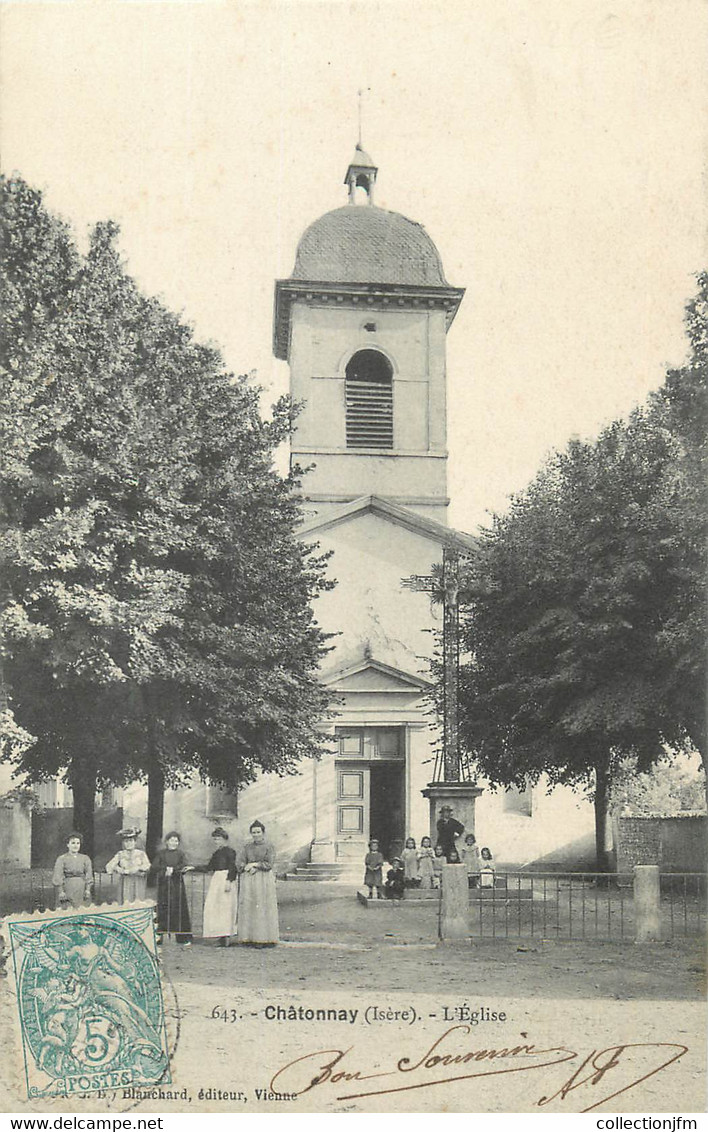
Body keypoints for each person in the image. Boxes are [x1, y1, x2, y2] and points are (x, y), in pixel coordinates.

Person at [235, 820, 279, 946]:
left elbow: (269, 863)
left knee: (263, 906)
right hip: (249, 879)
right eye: (253, 832)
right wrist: (246, 867)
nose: (256, 835)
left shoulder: (269, 847)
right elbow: (239, 861)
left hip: (263, 878)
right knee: (250, 906)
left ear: (263, 833)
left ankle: (264, 938)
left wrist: (256, 865)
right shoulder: (247, 847)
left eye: (258, 832)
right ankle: (248, 937)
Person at [149, 831, 194, 946]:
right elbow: (154, 866)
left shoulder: (180, 854)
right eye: (172, 840)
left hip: (177, 885)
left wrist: (174, 870)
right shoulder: (161, 853)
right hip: (164, 885)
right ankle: (160, 936)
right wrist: (165, 869)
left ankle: (182, 937)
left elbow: (184, 865)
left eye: (176, 841)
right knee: (163, 908)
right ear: (167, 841)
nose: (174, 843)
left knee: (178, 908)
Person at [201, 827, 238, 946]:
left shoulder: (230, 852)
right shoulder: (216, 853)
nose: (216, 841)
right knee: (214, 907)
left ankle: (226, 937)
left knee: (226, 908)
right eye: (215, 839)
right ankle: (220, 935)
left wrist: (229, 880)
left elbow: (233, 867)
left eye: (219, 839)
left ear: (225, 839)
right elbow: (209, 867)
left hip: (225, 879)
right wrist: (192, 867)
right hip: (216, 880)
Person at [105, 827, 151, 902]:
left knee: (138, 901)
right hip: (125, 882)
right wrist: (118, 869)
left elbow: (147, 865)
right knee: (125, 901)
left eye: (131, 841)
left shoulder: (141, 854)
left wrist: (138, 868)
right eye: (126, 841)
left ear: (135, 842)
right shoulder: (120, 854)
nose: (128, 843)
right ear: (123, 843)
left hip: (138, 881)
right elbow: (109, 866)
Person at [52, 833, 93, 909]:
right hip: (67, 888)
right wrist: (61, 891)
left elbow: (89, 874)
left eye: (78, 843)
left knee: (82, 910)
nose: (75, 845)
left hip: (81, 888)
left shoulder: (85, 858)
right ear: (68, 845)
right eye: (73, 843)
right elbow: (57, 875)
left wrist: (88, 890)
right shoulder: (62, 858)